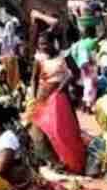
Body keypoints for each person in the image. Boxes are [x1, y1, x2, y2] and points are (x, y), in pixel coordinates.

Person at [31, 31, 86, 174]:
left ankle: (71, 159)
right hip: (43, 96)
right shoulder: (39, 58)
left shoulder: (64, 55)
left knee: (62, 129)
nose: (42, 47)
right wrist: (33, 97)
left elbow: (76, 72)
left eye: (45, 43)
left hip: (60, 97)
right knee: (40, 130)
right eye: (40, 44)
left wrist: (65, 83)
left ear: (52, 42)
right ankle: (53, 160)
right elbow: (34, 78)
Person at [70, 26, 100, 112]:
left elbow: (73, 54)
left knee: (87, 86)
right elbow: (96, 50)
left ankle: (85, 105)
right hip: (90, 67)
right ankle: (87, 106)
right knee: (91, 87)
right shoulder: (92, 42)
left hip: (84, 67)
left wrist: (78, 63)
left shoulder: (79, 43)